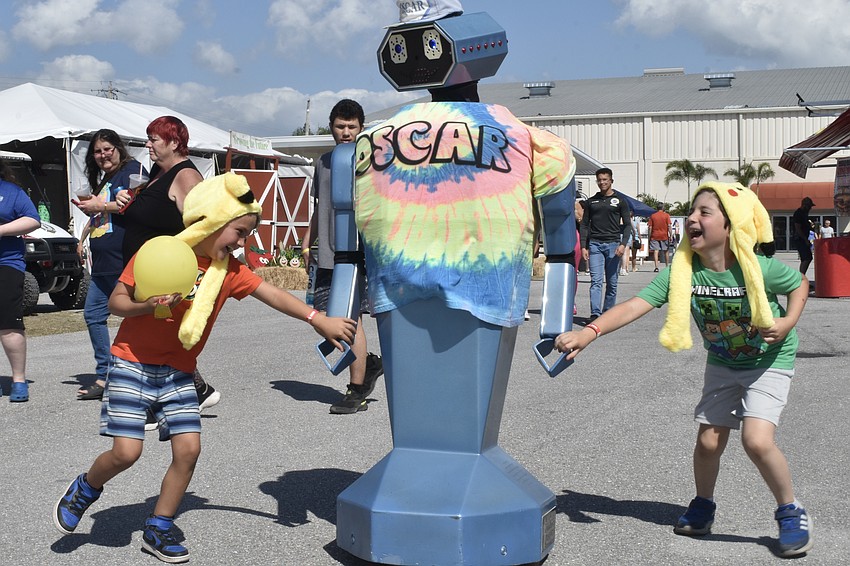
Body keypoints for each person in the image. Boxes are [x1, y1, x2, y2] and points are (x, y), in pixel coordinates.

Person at [53, 172, 356, 563]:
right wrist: (148, 306)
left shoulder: (228, 271)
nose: (242, 243)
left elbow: (273, 294)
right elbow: (117, 302)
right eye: (239, 232)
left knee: (188, 450)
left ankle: (159, 526)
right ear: (213, 221)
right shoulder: (159, 251)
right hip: (131, 361)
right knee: (126, 453)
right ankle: (86, 488)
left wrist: (318, 318)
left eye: (248, 234)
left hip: (178, 370)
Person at [555, 182, 813, 558]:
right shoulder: (683, 271)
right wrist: (589, 332)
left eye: (704, 213)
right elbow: (635, 305)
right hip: (723, 362)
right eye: (692, 211)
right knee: (708, 442)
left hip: (767, 361)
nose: (692, 218)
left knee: (756, 441)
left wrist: (788, 322)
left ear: (731, 226)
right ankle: (703, 504)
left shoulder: (757, 268)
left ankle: (790, 511)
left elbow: (799, 284)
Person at [117, 116, 220, 417]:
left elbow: (202, 225)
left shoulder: (185, 176)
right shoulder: (158, 173)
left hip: (165, 273)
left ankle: (154, 404)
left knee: (151, 337)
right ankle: (195, 390)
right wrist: (125, 200)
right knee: (155, 336)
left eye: (154, 139)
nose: (148, 144)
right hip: (146, 272)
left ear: (174, 143)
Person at [301, 99, 383, 414]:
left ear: (361, 128)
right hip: (326, 254)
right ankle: (368, 364)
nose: (346, 132)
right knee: (325, 317)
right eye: (340, 126)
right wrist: (307, 244)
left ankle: (357, 389)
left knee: (350, 319)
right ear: (331, 127)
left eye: (352, 127)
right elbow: (318, 208)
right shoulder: (322, 163)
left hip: (356, 253)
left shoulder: (370, 162)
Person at [74, 129, 147, 400]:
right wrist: (82, 237)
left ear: (118, 148)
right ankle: (107, 375)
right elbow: (99, 214)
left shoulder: (132, 170)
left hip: (123, 259)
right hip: (103, 262)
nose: (103, 155)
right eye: (97, 151)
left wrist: (100, 206)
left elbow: (135, 204)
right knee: (93, 315)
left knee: (136, 318)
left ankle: (139, 373)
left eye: (107, 149)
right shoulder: (106, 178)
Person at [0, 159, 41, 402]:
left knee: (8, 323)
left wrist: (1, 230)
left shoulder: (10, 191)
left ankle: (18, 380)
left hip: (6, 263)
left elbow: (33, 219)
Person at [580, 168, 631, 321]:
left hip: (614, 246)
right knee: (596, 281)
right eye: (599, 180)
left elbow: (627, 225)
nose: (602, 182)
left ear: (611, 181)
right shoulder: (591, 202)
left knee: (612, 282)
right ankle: (595, 314)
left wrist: (623, 244)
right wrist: (583, 246)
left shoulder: (620, 201)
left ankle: (607, 314)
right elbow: (584, 224)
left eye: (605, 179)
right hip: (595, 245)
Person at [791, 197, 815, 275]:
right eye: (809, 206)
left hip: (803, 238)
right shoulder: (798, 213)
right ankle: (801, 277)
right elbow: (798, 228)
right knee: (807, 258)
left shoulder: (804, 214)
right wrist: (805, 239)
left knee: (807, 258)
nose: (810, 208)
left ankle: (801, 276)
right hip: (799, 239)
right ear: (805, 205)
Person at [648, 203, 672, 272]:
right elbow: (669, 226)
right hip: (664, 235)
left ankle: (656, 267)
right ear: (663, 208)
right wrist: (671, 235)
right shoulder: (666, 215)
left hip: (654, 235)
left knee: (656, 251)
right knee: (666, 251)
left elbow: (650, 227)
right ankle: (667, 266)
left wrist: (649, 236)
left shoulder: (653, 216)